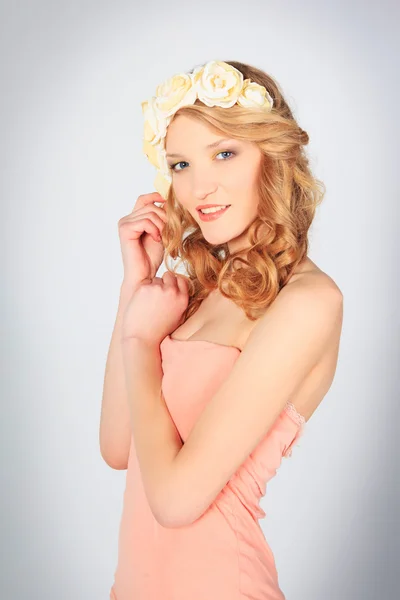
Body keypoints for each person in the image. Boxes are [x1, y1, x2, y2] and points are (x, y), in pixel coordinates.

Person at [100, 60, 344, 600]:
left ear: (272, 158)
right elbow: (119, 448)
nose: (198, 186)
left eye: (225, 153)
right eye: (181, 163)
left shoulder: (308, 301)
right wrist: (133, 286)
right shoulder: (197, 291)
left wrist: (142, 342)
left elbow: (176, 500)